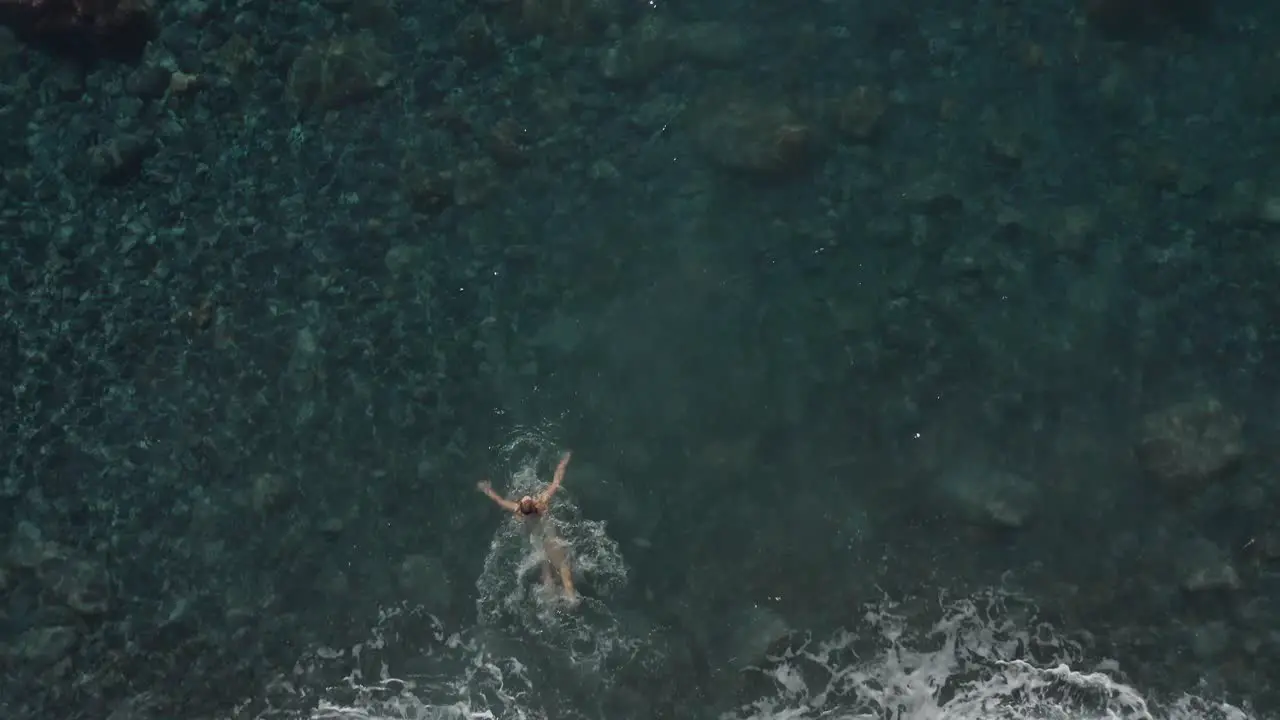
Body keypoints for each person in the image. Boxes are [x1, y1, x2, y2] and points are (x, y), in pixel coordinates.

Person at [477, 451, 577, 605]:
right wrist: (562, 463)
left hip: (536, 542)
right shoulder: (542, 502)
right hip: (550, 539)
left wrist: (487, 490)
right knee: (564, 571)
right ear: (533, 503)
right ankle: (571, 601)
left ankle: (550, 603)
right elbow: (556, 482)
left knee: (546, 572)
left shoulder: (518, 511)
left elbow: (500, 501)